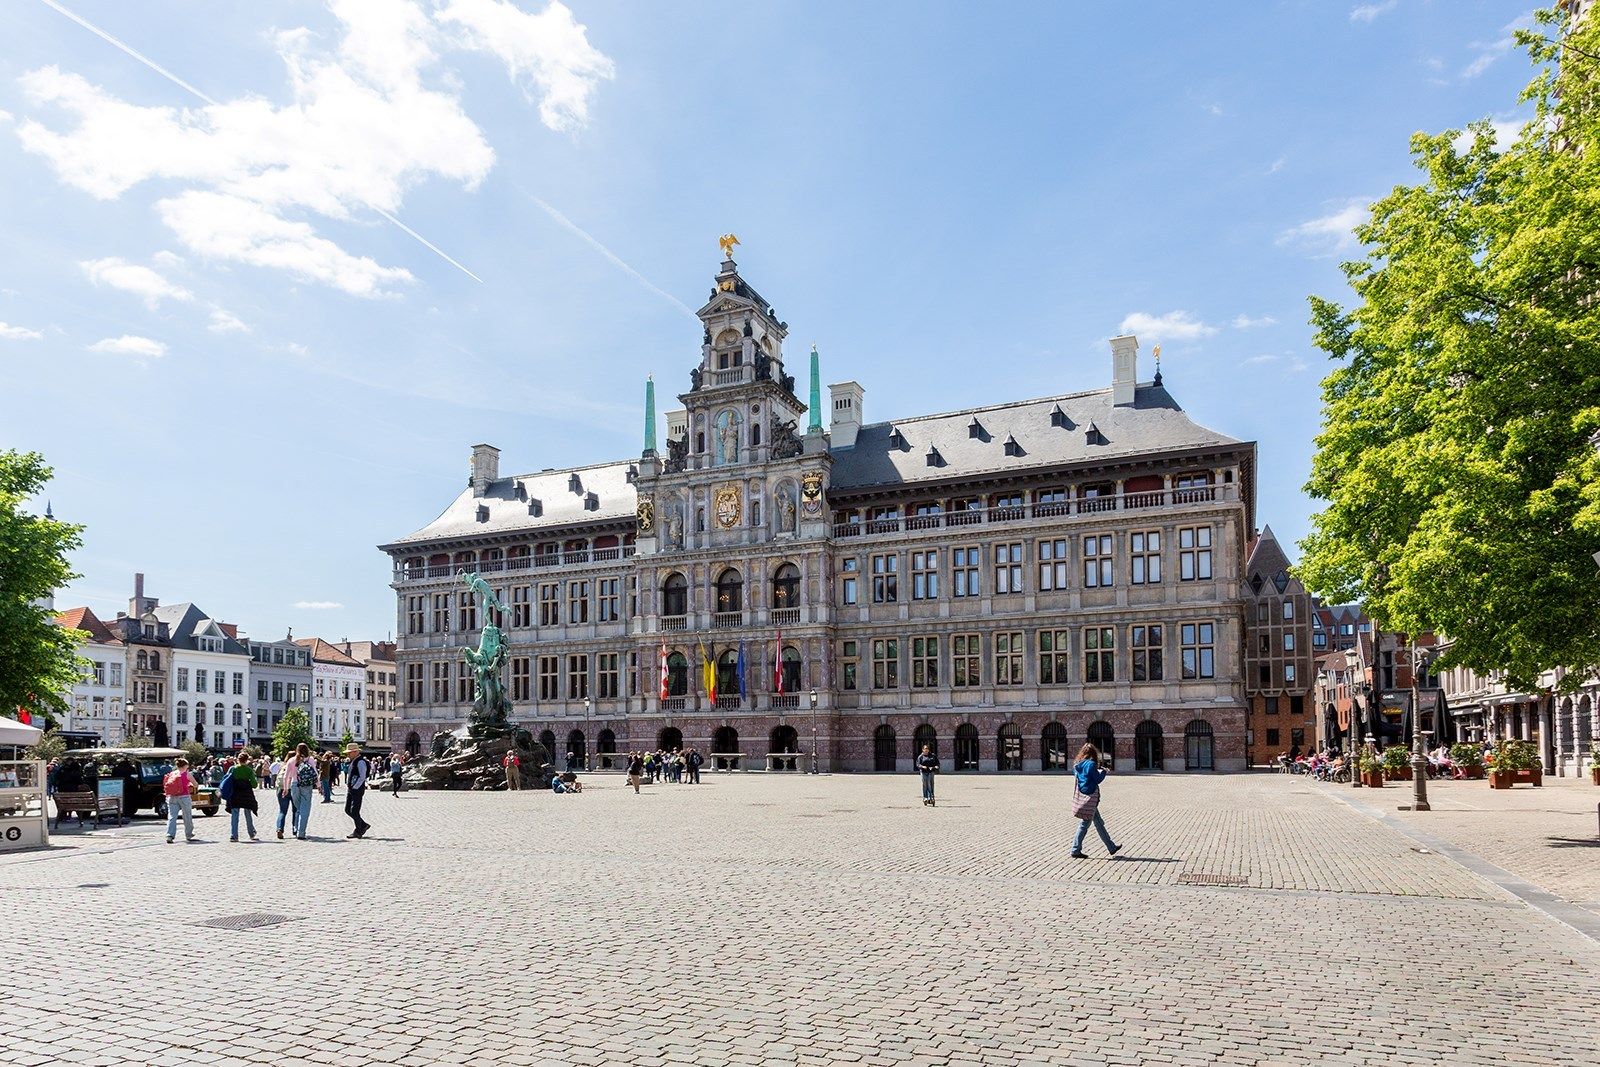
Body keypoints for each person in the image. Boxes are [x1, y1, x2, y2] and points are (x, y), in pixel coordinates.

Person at [1070, 743, 1120, 859]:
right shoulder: (1091, 764)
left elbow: (1083, 777)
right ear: (1093, 753)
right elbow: (1097, 779)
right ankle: (1075, 849)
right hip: (1091, 798)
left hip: (1084, 797)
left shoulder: (1077, 764)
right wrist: (1104, 772)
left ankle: (1111, 847)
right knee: (1085, 824)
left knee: (1098, 823)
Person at [280, 743, 317, 840]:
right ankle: (301, 832)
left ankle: (296, 828)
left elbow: (286, 776)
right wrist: (319, 785)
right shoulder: (310, 759)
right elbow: (315, 773)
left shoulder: (291, 760)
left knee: (298, 808)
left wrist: (286, 789)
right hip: (306, 786)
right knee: (305, 809)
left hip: (294, 785)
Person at [221, 757, 259, 842]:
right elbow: (254, 785)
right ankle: (251, 833)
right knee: (248, 813)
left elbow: (227, 780)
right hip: (246, 794)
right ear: (246, 760)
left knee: (235, 814)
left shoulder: (232, 769)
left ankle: (234, 835)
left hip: (235, 793)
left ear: (238, 760)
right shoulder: (249, 770)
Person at [163, 757, 198, 844]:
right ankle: (189, 834)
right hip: (184, 797)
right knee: (187, 816)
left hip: (172, 797)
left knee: (172, 817)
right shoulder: (187, 774)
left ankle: (170, 835)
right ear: (185, 765)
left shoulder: (172, 773)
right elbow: (195, 784)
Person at [344, 743, 371, 839]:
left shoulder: (360, 762)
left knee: (354, 811)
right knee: (348, 810)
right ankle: (363, 825)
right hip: (351, 789)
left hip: (357, 789)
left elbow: (362, 776)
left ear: (355, 752)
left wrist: (355, 787)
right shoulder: (354, 761)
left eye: (349, 752)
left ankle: (358, 831)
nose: (348, 754)